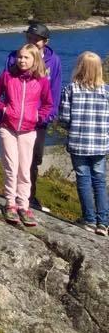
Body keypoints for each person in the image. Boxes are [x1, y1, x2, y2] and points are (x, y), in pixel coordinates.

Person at [0, 44, 53, 226]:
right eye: (20, 57)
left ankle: (24, 206)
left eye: (26, 58)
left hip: (28, 130)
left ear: (35, 60)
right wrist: (3, 109)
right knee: (11, 167)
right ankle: (10, 204)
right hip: (7, 127)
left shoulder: (42, 80)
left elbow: (49, 104)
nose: (22, 60)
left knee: (25, 169)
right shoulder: (7, 76)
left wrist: (37, 117)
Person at [4, 21, 61, 213]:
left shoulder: (54, 61)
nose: (32, 41)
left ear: (45, 41)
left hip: (38, 119)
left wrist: (48, 115)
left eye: (36, 39)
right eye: (29, 37)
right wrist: (6, 109)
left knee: (34, 159)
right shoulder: (14, 56)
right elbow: (5, 85)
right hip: (16, 117)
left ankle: (29, 197)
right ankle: (12, 198)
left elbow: (54, 90)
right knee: (13, 160)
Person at [59, 52, 109, 235]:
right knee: (99, 181)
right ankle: (103, 222)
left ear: (79, 67)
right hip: (100, 144)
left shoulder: (70, 89)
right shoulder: (107, 91)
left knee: (83, 180)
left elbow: (64, 118)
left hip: (78, 143)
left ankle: (89, 219)